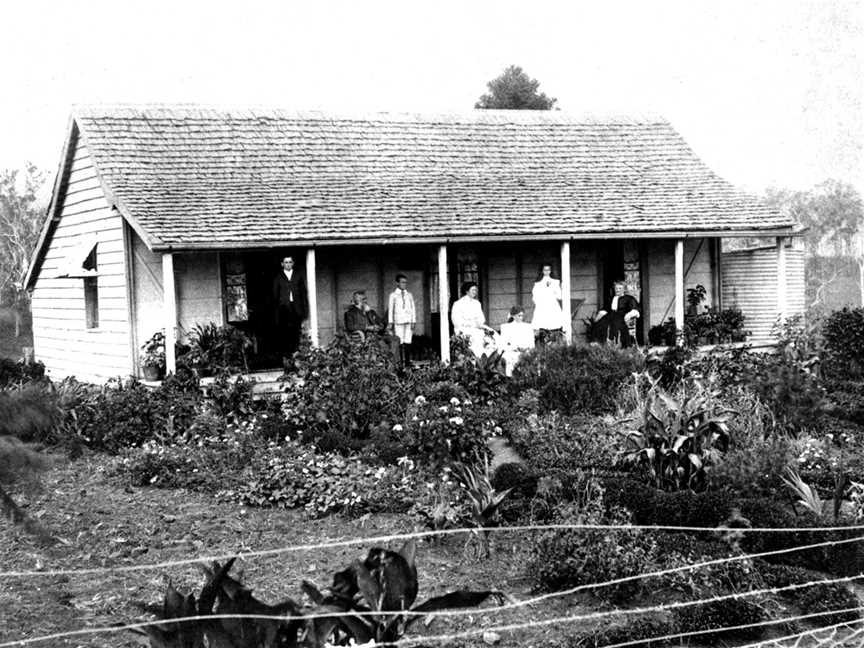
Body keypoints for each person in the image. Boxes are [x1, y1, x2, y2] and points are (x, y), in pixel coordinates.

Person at [272, 255, 307, 363]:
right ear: (282, 264)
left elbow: (303, 294)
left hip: (296, 308)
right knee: (285, 333)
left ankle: (296, 356)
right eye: (286, 262)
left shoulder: (298, 276)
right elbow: (275, 295)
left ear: (293, 263)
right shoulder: (278, 277)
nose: (288, 264)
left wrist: (304, 311)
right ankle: (287, 358)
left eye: (290, 262)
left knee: (296, 332)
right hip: (284, 309)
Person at [451, 281, 496, 357]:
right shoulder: (458, 304)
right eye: (473, 290)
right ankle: (478, 358)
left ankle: (488, 358)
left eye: (476, 290)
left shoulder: (477, 303)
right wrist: (471, 324)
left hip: (476, 327)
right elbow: (456, 321)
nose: (475, 292)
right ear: (467, 291)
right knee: (478, 336)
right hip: (463, 328)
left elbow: (481, 318)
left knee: (492, 334)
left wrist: (479, 324)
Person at [592, 280, 641, 348]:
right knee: (601, 324)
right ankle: (602, 345)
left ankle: (617, 344)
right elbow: (605, 309)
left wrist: (629, 315)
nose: (617, 290)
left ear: (624, 289)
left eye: (620, 288)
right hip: (610, 315)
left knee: (615, 325)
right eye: (616, 288)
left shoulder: (629, 298)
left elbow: (634, 309)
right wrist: (599, 316)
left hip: (622, 316)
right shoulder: (611, 298)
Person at [387, 274, 416, 367]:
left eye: (405, 282)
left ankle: (407, 362)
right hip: (398, 322)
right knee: (399, 341)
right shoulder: (393, 295)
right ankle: (400, 363)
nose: (404, 284)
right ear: (397, 283)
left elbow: (413, 308)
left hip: (408, 321)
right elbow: (391, 309)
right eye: (402, 282)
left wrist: (413, 321)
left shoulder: (409, 295)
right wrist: (390, 322)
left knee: (408, 341)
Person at [531, 263, 564, 341]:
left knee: (553, 325)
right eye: (545, 270)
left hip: (552, 305)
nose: (547, 271)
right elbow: (535, 296)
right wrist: (539, 303)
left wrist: (560, 288)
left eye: (548, 270)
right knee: (541, 325)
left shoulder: (555, 282)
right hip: (542, 306)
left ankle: (552, 340)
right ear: (542, 271)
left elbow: (559, 296)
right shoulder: (538, 283)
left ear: (550, 271)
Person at [499, 305, 535, 376]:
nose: (521, 318)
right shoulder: (506, 327)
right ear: (513, 316)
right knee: (511, 359)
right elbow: (503, 344)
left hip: (525, 351)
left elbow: (531, 343)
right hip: (512, 352)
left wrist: (525, 348)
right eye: (519, 315)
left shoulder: (528, 327)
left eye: (522, 316)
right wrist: (514, 348)